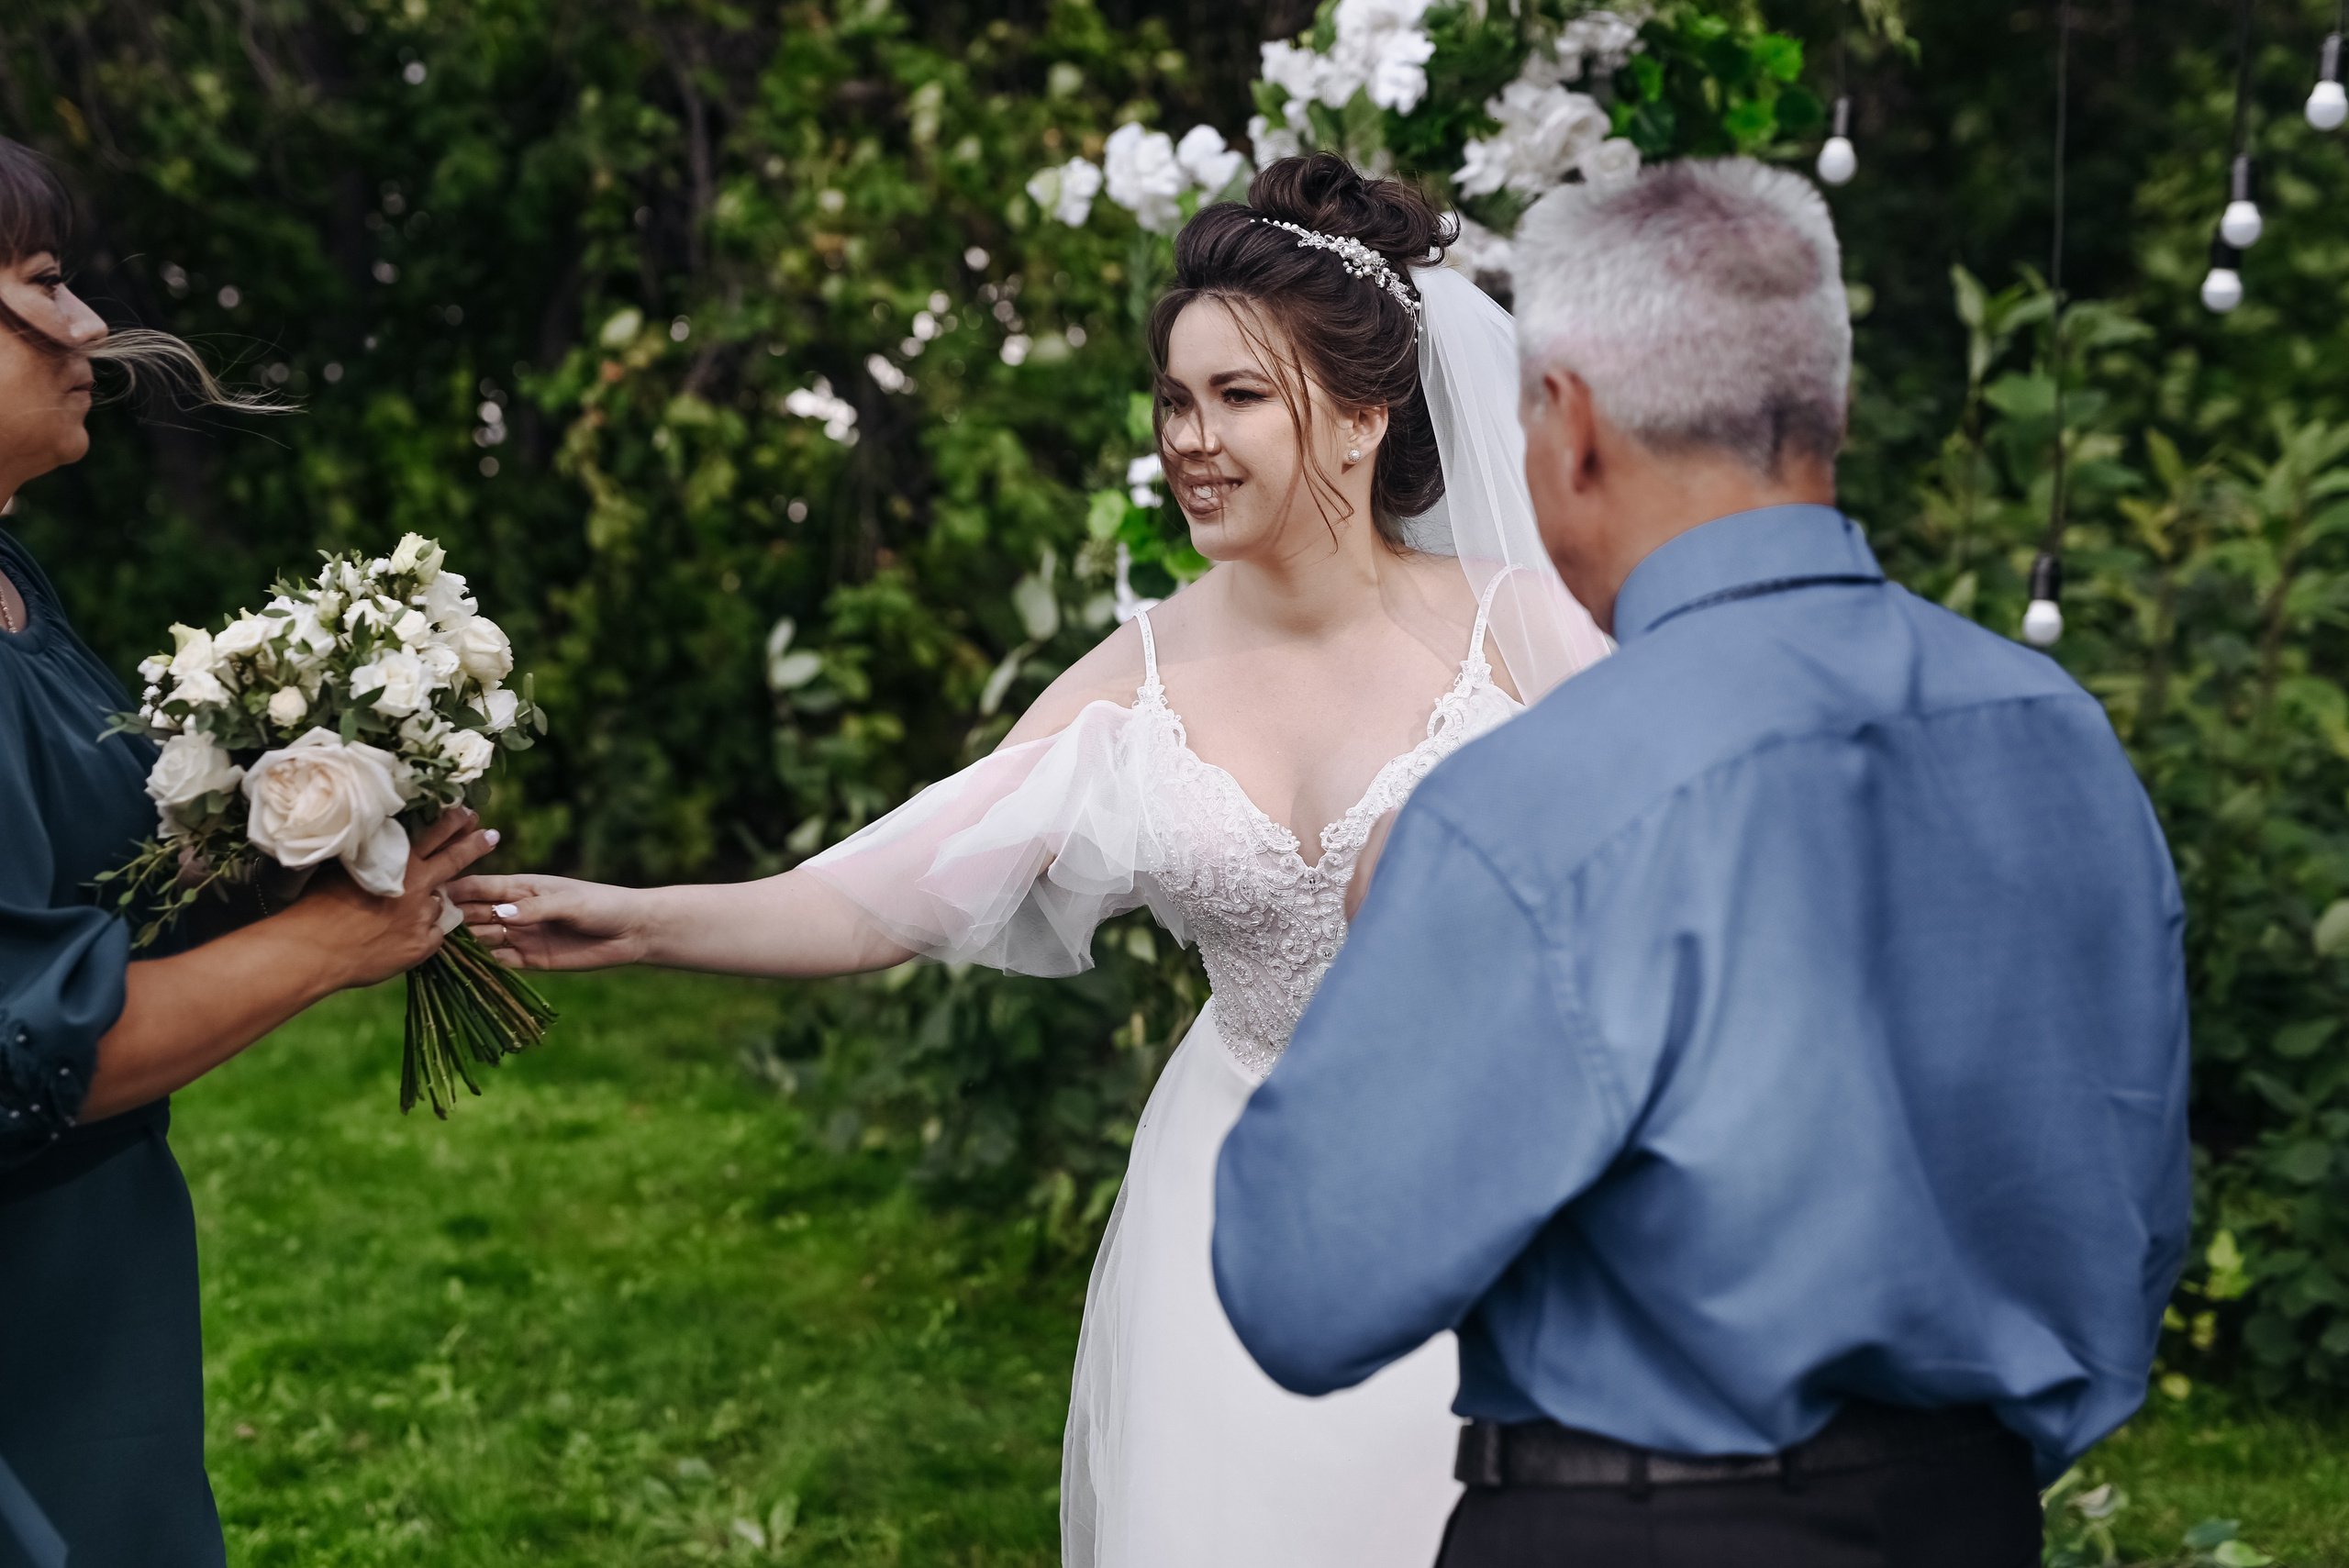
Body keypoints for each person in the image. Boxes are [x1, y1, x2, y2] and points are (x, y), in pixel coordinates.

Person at [450, 153, 1608, 1567]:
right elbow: (888, 888)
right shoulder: (1139, 677)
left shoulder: (1525, 631)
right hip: (1237, 1209)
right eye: (1175, 399)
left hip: (1498, 1198)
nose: (1190, 437)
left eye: (1239, 396)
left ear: (1366, 415)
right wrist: (643, 923)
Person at [1212, 157, 2193, 1568]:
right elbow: (2129, 1215)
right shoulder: (2063, 739)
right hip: (1969, 1520)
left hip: (1634, 1528)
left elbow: (1300, 1283)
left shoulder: (1535, 805)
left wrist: (1388, 944)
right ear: (1831, 406)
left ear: (1571, 426)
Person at [0, 137, 499, 1567]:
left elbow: (82, 896)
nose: (93, 322)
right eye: (44, 283)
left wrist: (286, 847)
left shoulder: (12, 575)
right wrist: (329, 943)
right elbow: (28, 1046)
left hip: (95, 1273)